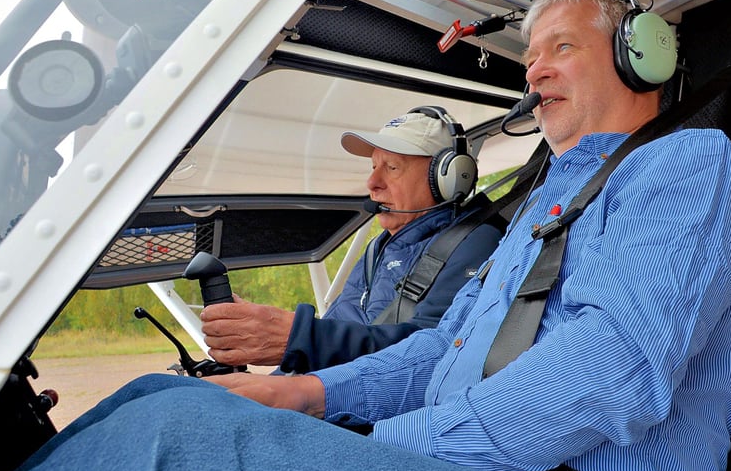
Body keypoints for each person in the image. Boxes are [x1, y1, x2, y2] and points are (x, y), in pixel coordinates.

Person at [0, 0, 731, 471]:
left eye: (562, 49)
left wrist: (395, 443)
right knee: (160, 395)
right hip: (472, 467)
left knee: (172, 441)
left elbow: (612, 375)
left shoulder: (689, 168)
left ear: (637, 55)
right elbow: (446, 347)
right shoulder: (544, 205)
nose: (535, 71)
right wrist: (305, 391)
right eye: (530, 55)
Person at [199, 109, 503, 374]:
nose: (373, 183)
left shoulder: (476, 243)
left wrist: (301, 337)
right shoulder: (378, 250)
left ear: (448, 179)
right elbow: (341, 328)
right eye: (373, 167)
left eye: (392, 167)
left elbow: (432, 353)